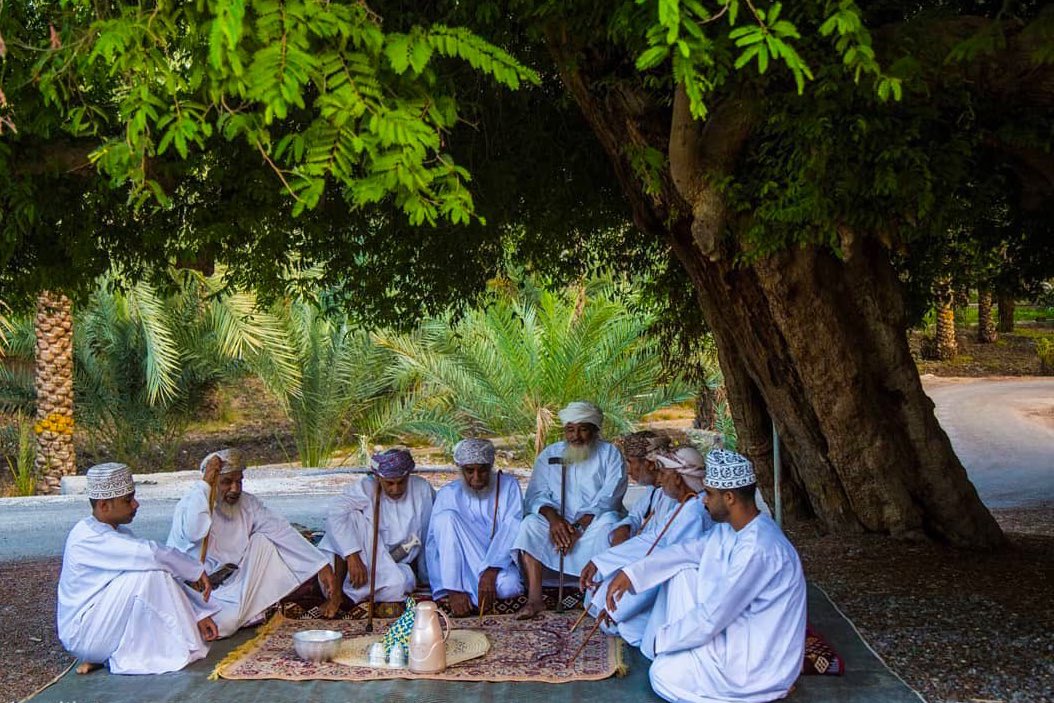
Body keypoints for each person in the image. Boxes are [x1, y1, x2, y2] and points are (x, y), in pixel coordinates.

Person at [605, 449, 807, 703]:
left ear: (730, 498)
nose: (703, 500)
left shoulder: (759, 548)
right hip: (738, 633)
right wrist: (630, 574)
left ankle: (760, 694)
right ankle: (682, 651)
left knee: (662, 674)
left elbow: (714, 615)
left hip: (757, 663)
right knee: (683, 571)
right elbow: (686, 552)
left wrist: (663, 640)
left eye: (709, 494)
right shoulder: (731, 530)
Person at [58, 463, 220, 675]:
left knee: (153, 571)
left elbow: (159, 563)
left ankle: (113, 653)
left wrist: (198, 614)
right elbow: (151, 554)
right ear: (104, 505)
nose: (136, 504)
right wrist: (196, 570)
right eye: (128, 500)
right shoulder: (88, 538)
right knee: (149, 574)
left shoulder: (118, 534)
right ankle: (127, 655)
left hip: (101, 628)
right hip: (85, 635)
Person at [167, 449, 335, 637]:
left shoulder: (247, 503)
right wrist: (205, 486)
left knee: (265, 541)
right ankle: (246, 612)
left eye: (239, 481)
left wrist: (321, 565)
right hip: (199, 592)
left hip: (236, 581)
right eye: (227, 482)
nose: (235, 489)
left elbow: (280, 530)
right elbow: (194, 531)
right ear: (211, 481)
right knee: (224, 624)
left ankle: (248, 611)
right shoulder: (192, 504)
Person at [580, 445, 712, 647]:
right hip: (650, 575)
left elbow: (667, 564)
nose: (660, 479)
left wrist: (623, 602)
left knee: (626, 627)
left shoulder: (693, 512)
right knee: (614, 616)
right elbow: (652, 540)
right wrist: (599, 562)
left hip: (681, 593)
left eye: (665, 473)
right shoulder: (685, 504)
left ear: (678, 478)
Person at [513, 401, 627, 619]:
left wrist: (576, 527)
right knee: (529, 525)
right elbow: (536, 496)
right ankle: (535, 599)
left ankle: (596, 595)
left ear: (595, 430)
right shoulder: (550, 454)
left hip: (592, 524)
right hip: (557, 527)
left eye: (583, 429)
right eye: (570, 429)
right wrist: (555, 521)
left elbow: (609, 499)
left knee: (610, 522)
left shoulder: (610, 454)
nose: (575, 436)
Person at [319, 448, 434, 617]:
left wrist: (427, 577)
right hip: (360, 557)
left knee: (401, 583)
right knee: (349, 518)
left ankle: (350, 598)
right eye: (389, 483)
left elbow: (428, 533)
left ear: (409, 476)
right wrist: (352, 555)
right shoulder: (365, 487)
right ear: (378, 478)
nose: (395, 489)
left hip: (392, 563)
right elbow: (334, 514)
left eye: (401, 482)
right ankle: (336, 593)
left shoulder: (421, 489)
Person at [426, 438, 524, 616]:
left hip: (495, 559)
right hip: (460, 566)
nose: (477, 478)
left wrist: (491, 570)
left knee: (510, 587)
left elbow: (512, 528)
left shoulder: (508, 486)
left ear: (491, 467)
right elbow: (434, 546)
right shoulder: (448, 494)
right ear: (460, 469)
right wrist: (452, 588)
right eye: (470, 471)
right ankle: (456, 592)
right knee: (446, 518)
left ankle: (471, 595)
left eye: (483, 470)